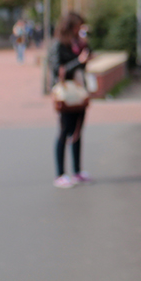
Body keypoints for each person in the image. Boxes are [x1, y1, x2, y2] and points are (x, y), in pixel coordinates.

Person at [52, 12, 93, 188]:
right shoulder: (59, 45)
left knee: (77, 131)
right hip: (67, 94)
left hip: (79, 92)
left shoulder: (79, 44)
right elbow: (57, 70)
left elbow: (83, 64)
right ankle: (60, 173)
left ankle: (77, 171)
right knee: (64, 131)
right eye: (78, 26)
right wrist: (79, 61)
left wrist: (86, 55)